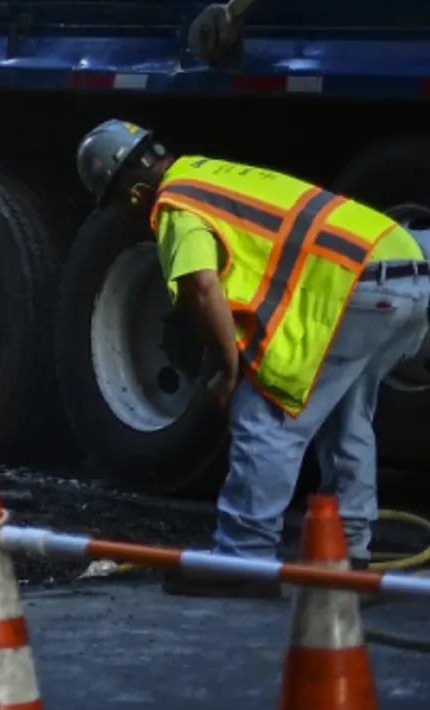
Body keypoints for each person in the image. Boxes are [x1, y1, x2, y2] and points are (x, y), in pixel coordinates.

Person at [76, 120, 430, 597]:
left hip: (357, 289)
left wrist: (227, 370)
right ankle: (348, 554)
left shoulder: (176, 205)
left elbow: (203, 288)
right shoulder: (208, 173)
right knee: (345, 420)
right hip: (408, 270)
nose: (127, 216)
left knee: (267, 416)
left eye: (118, 205)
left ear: (135, 192)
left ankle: (245, 559)